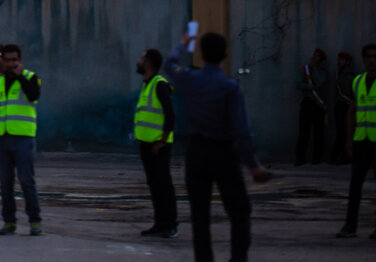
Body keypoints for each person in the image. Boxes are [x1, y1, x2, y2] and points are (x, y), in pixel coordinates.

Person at [165, 31, 270, 262]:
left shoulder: (190, 79)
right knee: (239, 212)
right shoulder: (229, 86)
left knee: (200, 215)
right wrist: (253, 164)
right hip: (223, 152)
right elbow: (241, 131)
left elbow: (170, 64)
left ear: (201, 54)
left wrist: (182, 44)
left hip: (196, 152)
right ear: (225, 54)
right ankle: (238, 258)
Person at [0, 43, 42, 235]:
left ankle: (35, 222)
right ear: (2, 62)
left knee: (26, 181)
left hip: (23, 138)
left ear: (20, 61)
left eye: (15, 60)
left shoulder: (30, 78)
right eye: (8, 60)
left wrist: (20, 76)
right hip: (1, 138)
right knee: (5, 183)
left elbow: (34, 95)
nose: (12, 64)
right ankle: (9, 222)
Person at [134, 48, 178, 238]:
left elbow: (170, 115)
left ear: (149, 62)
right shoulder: (147, 84)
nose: (138, 61)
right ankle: (160, 224)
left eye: (142, 58)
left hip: (158, 146)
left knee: (163, 185)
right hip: (147, 145)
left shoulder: (159, 85)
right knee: (155, 185)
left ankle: (170, 225)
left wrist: (161, 141)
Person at [337, 42, 376, 239]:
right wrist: (349, 139)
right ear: (363, 59)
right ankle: (350, 226)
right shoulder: (358, 82)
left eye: (374, 57)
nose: (371, 60)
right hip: (362, 141)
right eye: (368, 57)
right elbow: (351, 111)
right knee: (355, 186)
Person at [296, 48, 329, 165]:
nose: (315, 58)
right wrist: (311, 86)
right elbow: (299, 84)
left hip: (318, 105)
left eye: (318, 56)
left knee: (318, 132)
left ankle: (317, 158)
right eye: (314, 56)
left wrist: (314, 70)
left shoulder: (322, 71)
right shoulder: (305, 69)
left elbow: (320, 83)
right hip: (307, 102)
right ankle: (300, 158)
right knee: (303, 132)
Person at [331, 51, 355, 165]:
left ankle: (344, 156)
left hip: (348, 106)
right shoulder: (338, 74)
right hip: (340, 105)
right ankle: (338, 156)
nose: (339, 61)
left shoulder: (351, 75)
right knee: (341, 132)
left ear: (348, 62)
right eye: (338, 59)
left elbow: (349, 89)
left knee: (346, 132)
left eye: (342, 59)